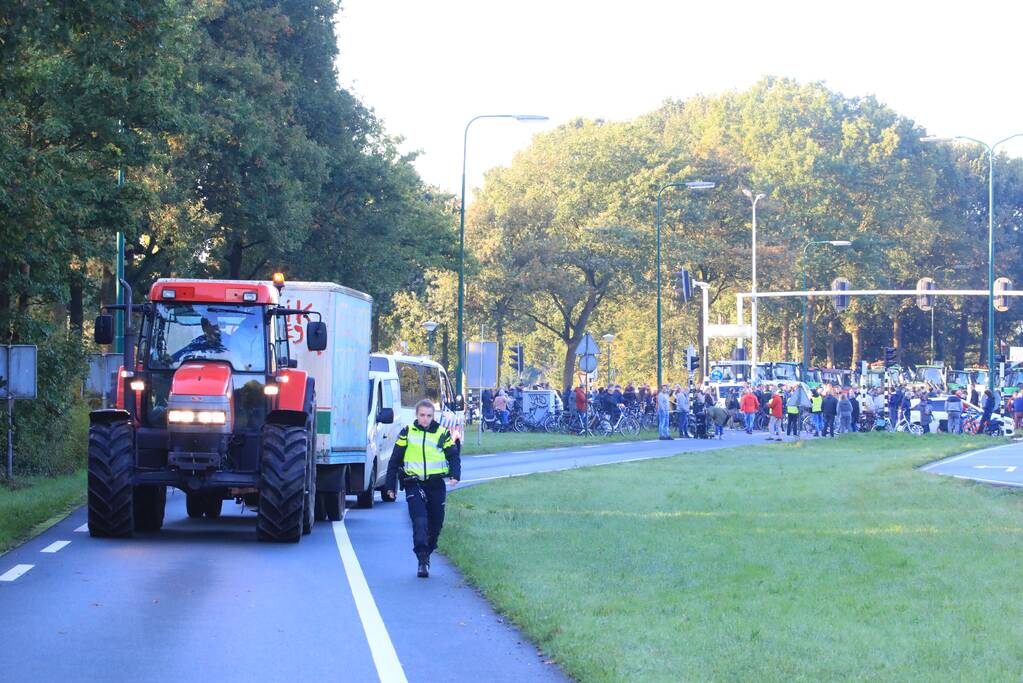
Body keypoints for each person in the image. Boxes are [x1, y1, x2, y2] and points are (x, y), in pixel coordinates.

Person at [384, 400, 461, 578]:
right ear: (416, 415)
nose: (425, 419)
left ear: (433, 416)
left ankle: (428, 550)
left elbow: (453, 457)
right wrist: (390, 487)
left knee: (436, 525)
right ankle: (422, 559)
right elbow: (394, 461)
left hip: (435, 485)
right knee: (420, 522)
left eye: (428, 416)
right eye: (421, 415)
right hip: (414, 484)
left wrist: (455, 475)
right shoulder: (408, 432)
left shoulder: (442, 433)